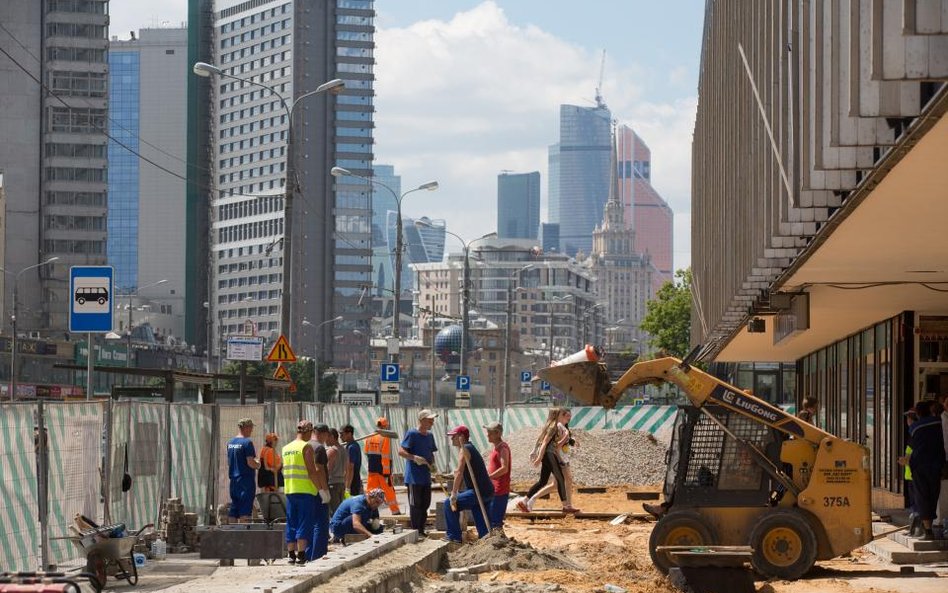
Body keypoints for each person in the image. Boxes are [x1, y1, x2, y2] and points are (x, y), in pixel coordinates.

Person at [516, 408, 577, 514]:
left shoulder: (550, 425)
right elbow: (544, 443)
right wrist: (539, 457)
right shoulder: (554, 426)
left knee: (543, 481)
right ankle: (566, 506)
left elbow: (540, 440)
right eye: (561, 414)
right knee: (560, 479)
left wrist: (536, 452)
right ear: (556, 415)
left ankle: (526, 500)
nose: (563, 417)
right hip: (550, 454)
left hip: (549, 455)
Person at [443, 425, 494, 543]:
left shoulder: (464, 449)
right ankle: (486, 541)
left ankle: (454, 537)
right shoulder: (470, 447)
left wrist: (454, 494)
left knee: (448, 504)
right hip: (486, 491)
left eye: (454, 436)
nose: (451, 439)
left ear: (461, 437)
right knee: (480, 518)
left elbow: (459, 472)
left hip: (478, 492)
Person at [281, 421, 321, 565]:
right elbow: (311, 471)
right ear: (307, 431)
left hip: (290, 490)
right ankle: (301, 555)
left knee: (291, 522)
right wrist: (320, 489)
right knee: (304, 522)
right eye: (310, 433)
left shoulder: (286, 448)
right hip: (305, 491)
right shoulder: (306, 447)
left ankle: (291, 554)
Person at [908, 400, 947, 540]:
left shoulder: (914, 428)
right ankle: (929, 528)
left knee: (922, 496)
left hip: (919, 466)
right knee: (933, 495)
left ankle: (928, 530)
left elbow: (913, 446)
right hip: (936, 465)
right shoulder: (938, 422)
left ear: (918, 414)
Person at [398, 409, 438, 537]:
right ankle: (417, 530)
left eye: (433, 419)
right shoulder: (412, 434)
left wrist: (433, 465)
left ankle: (421, 528)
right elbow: (401, 451)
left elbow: (431, 453)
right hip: (414, 477)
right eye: (429, 419)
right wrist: (414, 458)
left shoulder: (430, 436)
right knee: (416, 504)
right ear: (422, 420)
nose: (432, 422)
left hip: (425, 476)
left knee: (425, 503)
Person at [226, 418, 260, 523]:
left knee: (234, 509)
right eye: (251, 428)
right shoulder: (247, 443)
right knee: (245, 510)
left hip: (234, 480)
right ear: (246, 428)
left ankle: (232, 534)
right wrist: (258, 464)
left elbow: (229, 462)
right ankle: (245, 535)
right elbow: (250, 462)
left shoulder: (230, 442)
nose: (252, 430)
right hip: (245, 481)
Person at [306, 423, 332, 559]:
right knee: (321, 525)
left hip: (305, 490)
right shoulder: (319, 448)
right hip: (317, 491)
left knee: (309, 524)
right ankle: (318, 555)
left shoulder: (305, 445)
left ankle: (308, 554)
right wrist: (324, 491)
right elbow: (319, 470)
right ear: (323, 434)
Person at [365, 417, 401, 514]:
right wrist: (386, 473)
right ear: (385, 425)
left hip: (372, 469)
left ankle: (368, 511)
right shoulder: (385, 437)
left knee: (371, 492)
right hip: (382, 471)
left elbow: (366, 452)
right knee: (388, 491)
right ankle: (395, 511)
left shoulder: (370, 437)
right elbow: (385, 456)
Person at [484, 421, 511, 530]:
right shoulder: (497, 447)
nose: (487, 435)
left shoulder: (502, 448)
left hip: (500, 490)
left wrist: (489, 477)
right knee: (492, 519)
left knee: (495, 521)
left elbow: (504, 468)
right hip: (494, 488)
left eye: (490, 433)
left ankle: (498, 544)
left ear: (498, 434)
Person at [898, 409, 920, 536]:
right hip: (911, 475)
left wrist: (903, 460)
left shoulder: (913, 437)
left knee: (915, 504)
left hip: (913, 475)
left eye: (908, 419)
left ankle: (914, 530)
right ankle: (913, 529)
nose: (907, 421)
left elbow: (909, 458)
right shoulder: (915, 436)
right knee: (915, 504)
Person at [326, 428, 347, 515]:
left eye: (326, 437)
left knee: (334, 511)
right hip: (341, 483)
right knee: (339, 509)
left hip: (332, 484)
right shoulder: (343, 450)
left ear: (332, 437)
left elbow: (327, 470)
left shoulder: (332, 451)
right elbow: (346, 468)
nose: (325, 440)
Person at [340, 424, 363, 496]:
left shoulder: (352, 447)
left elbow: (350, 468)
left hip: (353, 482)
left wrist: (347, 487)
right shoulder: (349, 446)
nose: (340, 437)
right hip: (353, 481)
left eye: (342, 434)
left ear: (349, 434)